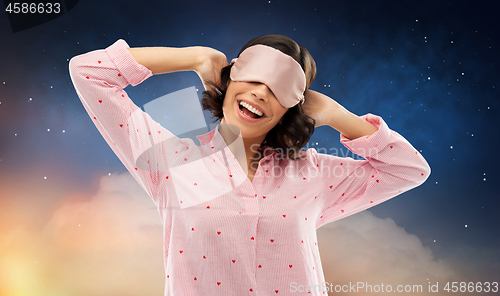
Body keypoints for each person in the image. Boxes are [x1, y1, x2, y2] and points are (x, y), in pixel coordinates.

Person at [69, 34, 430, 295]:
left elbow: (409, 169)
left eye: (278, 89)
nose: (260, 92)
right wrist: (195, 57)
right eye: (253, 78)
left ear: (292, 108)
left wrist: (338, 115)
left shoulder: (313, 173)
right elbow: (88, 72)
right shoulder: (170, 160)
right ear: (230, 80)